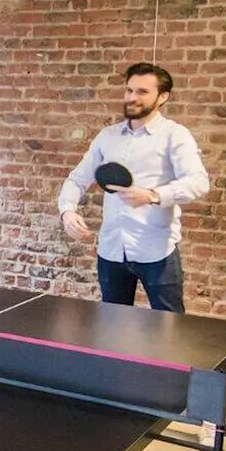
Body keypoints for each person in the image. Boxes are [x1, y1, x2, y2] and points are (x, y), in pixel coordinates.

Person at [58, 62, 209, 313]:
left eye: (142, 92)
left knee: (170, 329)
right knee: (113, 328)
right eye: (129, 90)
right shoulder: (108, 136)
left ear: (162, 97)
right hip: (111, 251)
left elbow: (198, 181)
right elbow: (77, 179)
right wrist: (67, 211)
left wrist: (153, 195)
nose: (132, 97)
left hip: (157, 252)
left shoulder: (175, 135)